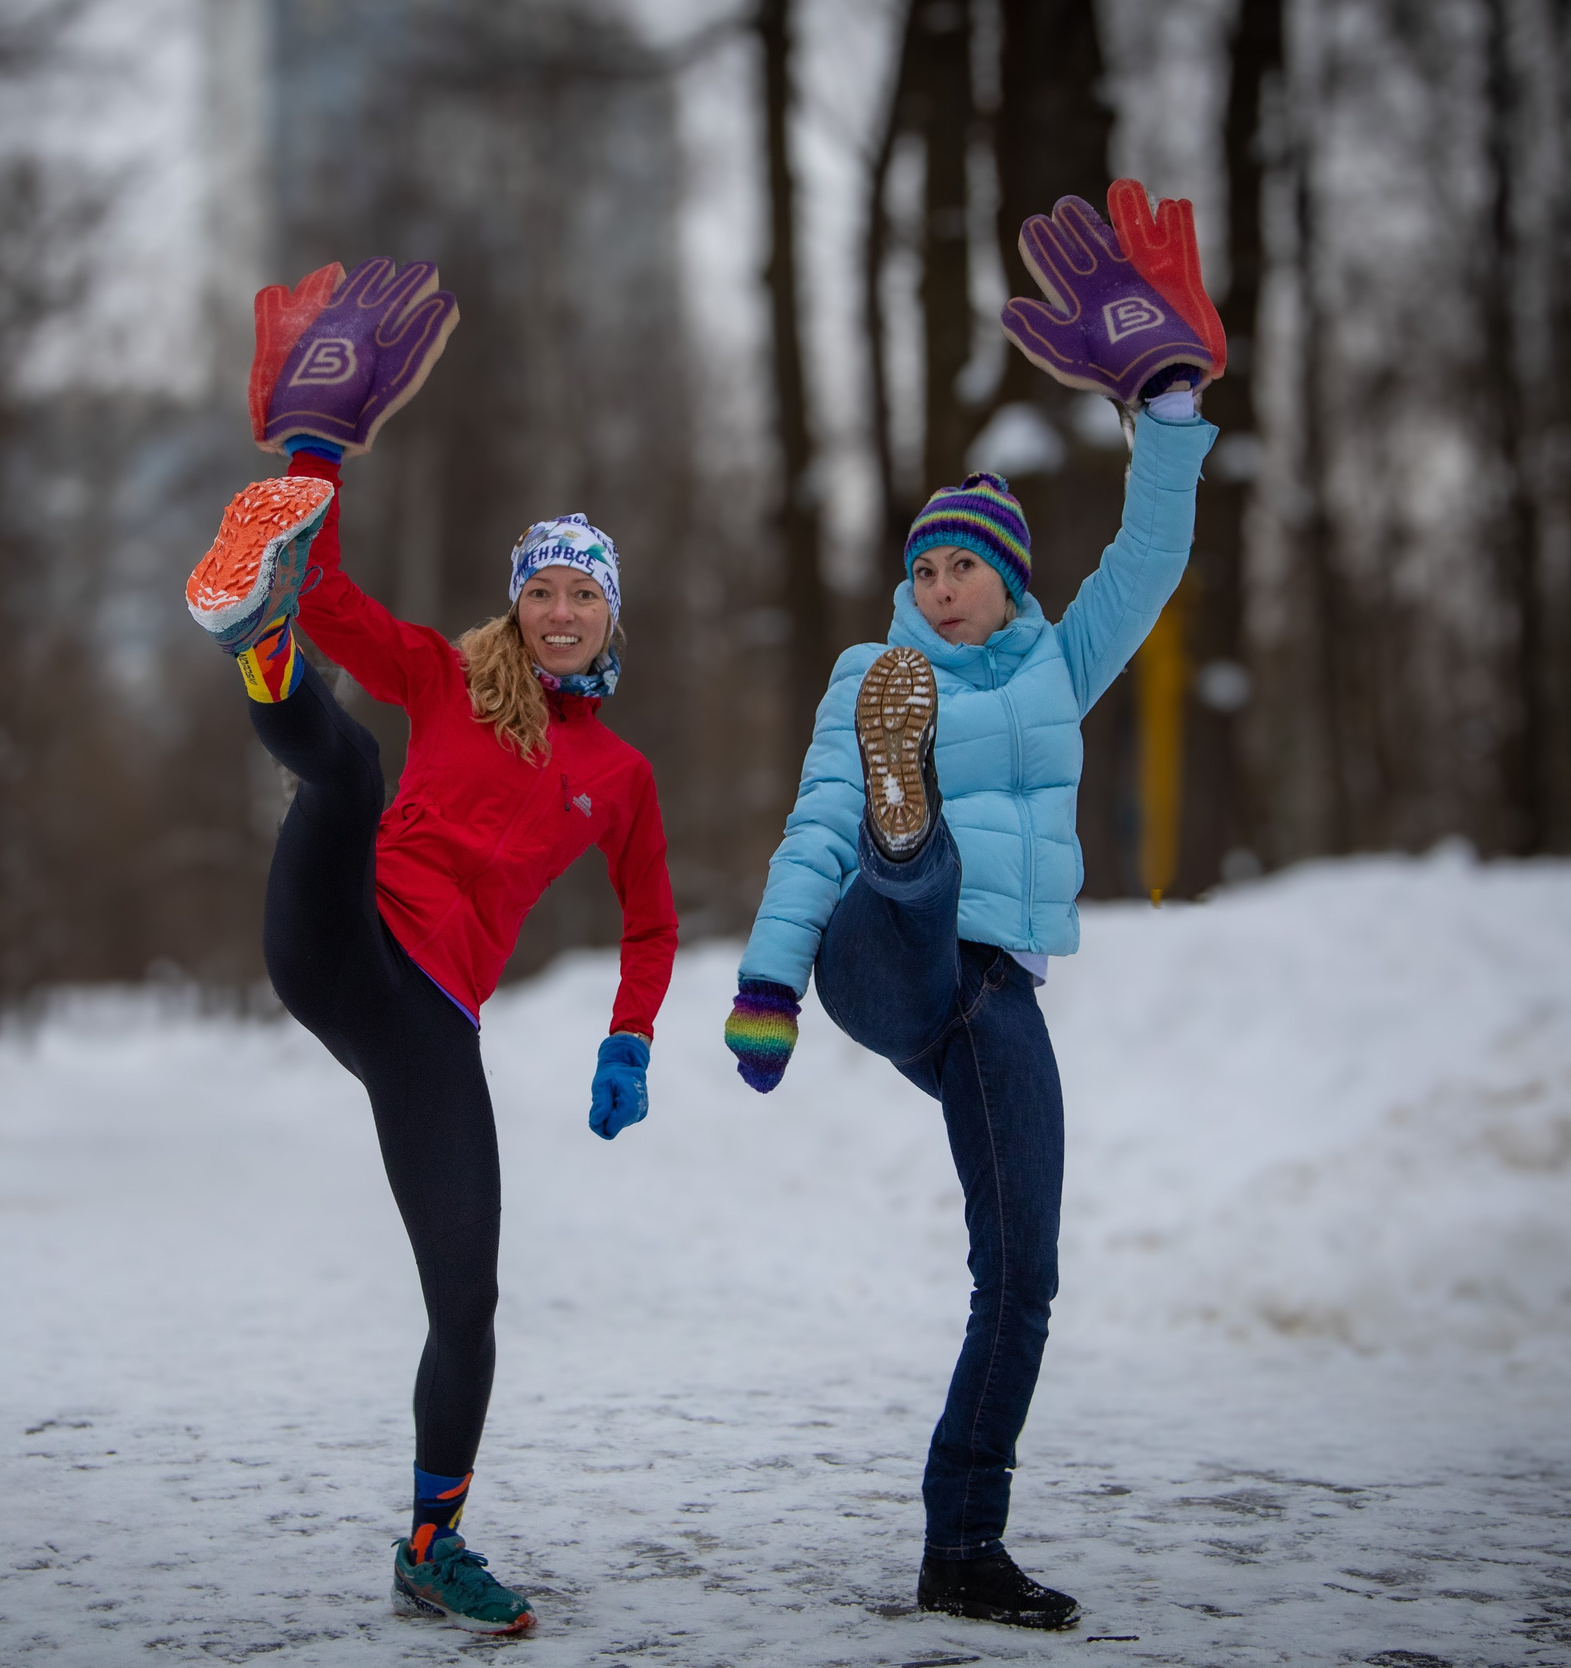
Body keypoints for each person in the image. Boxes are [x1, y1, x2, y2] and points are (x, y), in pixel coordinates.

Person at [720, 184, 1224, 1630]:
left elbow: (1149, 556)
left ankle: (963, 1548)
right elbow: (802, 834)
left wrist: (1170, 406)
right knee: (888, 843)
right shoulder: (876, 680)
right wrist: (764, 986)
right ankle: (911, 832)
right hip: (879, 957)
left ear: (1007, 581)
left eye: (964, 569)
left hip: (989, 998)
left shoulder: (1063, 667)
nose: (940, 589)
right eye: (923, 568)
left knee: (1025, 1275)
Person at [184, 257, 677, 1635]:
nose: (560, 610)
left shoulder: (621, 777)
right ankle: (247, 640)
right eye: (543, 591)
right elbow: (330, 583)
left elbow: (652, 919)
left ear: (609, 614)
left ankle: (430, 1541)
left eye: (582, 593)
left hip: (428, 1021)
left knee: (469, 1293)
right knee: (339, 770)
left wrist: (631, 1036)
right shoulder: (457, 679)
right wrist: (316, 448)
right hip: (343, 935)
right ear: (518, 606)